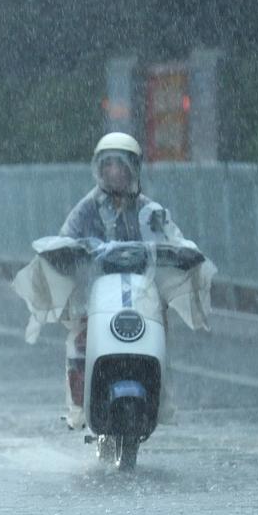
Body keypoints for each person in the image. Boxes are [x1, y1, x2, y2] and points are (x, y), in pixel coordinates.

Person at [56, 133, 192, 428]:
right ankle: (79, 405)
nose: (116, 172)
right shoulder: (87, 208)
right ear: (99, 169)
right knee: (80, 337)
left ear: (133, 168)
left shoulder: (148, 210)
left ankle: (162, 401)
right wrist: (68, 250)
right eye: (109, 165)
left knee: (163, 328)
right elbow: (66, 236)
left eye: (122, 165)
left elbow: (174, 237)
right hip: (97, 291)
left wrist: (182, 252)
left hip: (142, 290)